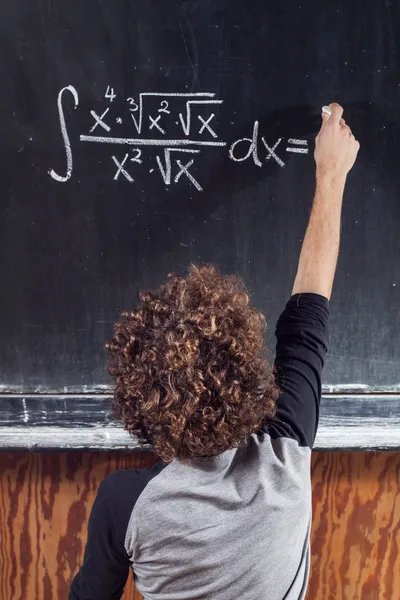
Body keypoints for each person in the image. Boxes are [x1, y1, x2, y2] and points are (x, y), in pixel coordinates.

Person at [69, 103, 359, 600]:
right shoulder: (285, 454)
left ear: (141, 405)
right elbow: (309, 310)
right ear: (248, 373)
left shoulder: (125, 504)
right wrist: (331, 175)